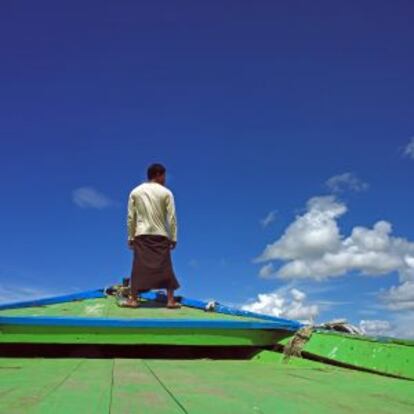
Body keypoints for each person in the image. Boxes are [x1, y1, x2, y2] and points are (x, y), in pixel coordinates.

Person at [125, 163, 180, 308]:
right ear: (158, 175)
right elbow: (172, 217)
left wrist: (130, 237)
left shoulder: (135, 192)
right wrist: (173, 237)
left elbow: (131, 217)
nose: (165, 179)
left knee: (138, 267)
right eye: (164, 176)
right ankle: (170, 300)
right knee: (165, 266)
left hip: (141, 234)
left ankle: (134, 299)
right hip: (160, 234)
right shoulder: (166, 193)